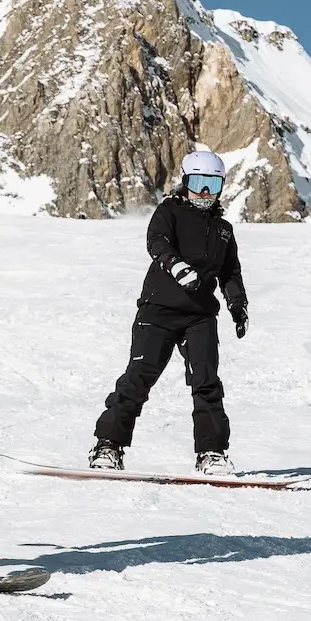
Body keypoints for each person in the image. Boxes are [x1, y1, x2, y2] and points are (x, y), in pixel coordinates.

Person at [88, 149, 249, 476]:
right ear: (185, 183)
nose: (204, 193)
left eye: (212, 184)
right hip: (158, 310)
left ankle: (212, 453)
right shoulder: (170, 211)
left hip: (200, 316)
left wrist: (237, 304)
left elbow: (230, 271)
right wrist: (178, 268)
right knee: (139, 377)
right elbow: (157, 241)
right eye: (198, 183)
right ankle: (108, 446)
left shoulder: (223, 229)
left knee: (206, 382)